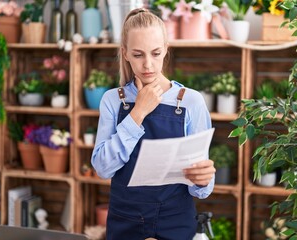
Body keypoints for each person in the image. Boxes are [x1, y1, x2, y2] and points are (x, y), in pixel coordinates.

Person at [91, 8, 216, 240]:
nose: (148, 64)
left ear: (166, 50)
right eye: (138, 55)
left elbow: (201, 191)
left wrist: (204, 179)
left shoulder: (191, 102)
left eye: (156, 53)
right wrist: (138, 112)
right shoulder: (112, 100)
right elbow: (102, 168)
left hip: (176, 222)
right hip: (125, 222)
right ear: (125, 53)